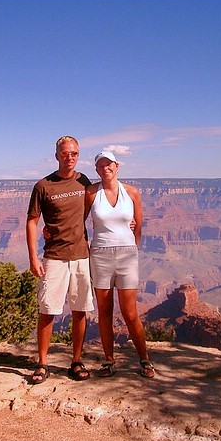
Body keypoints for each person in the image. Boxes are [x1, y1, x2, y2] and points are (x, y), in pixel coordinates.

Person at [26, 135, 94, 384]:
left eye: (74, 153)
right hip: (53, 257)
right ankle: (42, 363)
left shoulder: (84, 181)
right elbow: (32, 221)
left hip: (81, 256)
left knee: (80, 311)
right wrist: (33, 257)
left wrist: (130, 219)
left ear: (78, 155)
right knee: (47, 311)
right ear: (56, 156)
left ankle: (76, 361)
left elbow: (101, 204)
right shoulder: (43, 186)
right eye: (65, 153)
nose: (70, 157)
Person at [84, 151, 155, 378]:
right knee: (104, 311)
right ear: (96, 169)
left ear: (117, 166)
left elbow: (140, 225)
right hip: (100, 255)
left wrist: (132, 247)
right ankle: (108, 361)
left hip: (126, 256)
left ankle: (144, 359)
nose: (105, 168)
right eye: (101, 165)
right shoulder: (91, 193)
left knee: (130, 312)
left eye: (109, 164)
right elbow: (79, 222)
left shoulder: (132, 192)